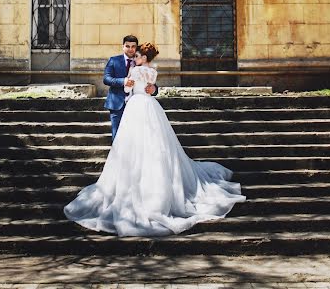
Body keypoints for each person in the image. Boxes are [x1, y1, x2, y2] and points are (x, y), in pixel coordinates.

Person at [64, 42, 245, 237]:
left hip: (135, 106)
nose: (135, 57)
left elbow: (129, 91)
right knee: (157, 144)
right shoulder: (153, 71)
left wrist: (128, 84)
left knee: (133, 145)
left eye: (138, 54)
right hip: (150, 106)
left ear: (143, 57)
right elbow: (151, 88)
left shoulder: (134, 70)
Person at [103, 35, 157, 142]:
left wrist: (154, 89)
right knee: (118, 138)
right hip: (118, 104)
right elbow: (106, 79)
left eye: (133, 46)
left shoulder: (141, 61)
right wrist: (123, 81)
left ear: (136, 48)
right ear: (123, 47)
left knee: (138, 138)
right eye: (127, 46)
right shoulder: (114, 60)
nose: (130, 49)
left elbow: (151, 83)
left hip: (139, 107)